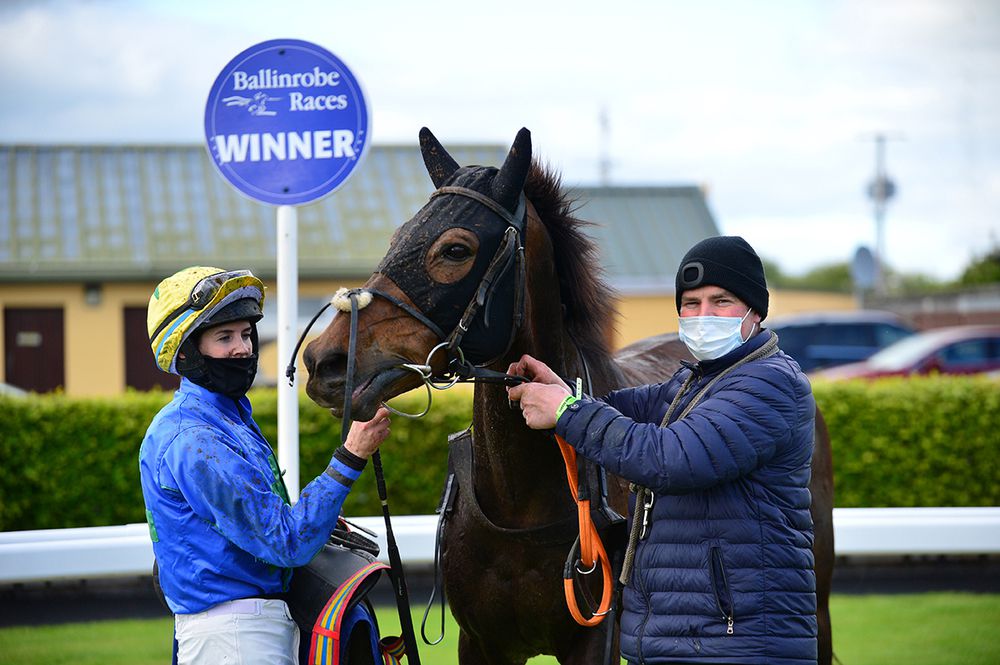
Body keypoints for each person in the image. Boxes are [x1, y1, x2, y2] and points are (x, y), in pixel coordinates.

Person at [507, 236, 817, 665]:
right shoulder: (697, 382)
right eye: (690, 304)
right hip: (678, 642)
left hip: (737, 645)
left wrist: (564, 412)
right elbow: (618, 408)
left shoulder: (769, 383)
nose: (703, 316)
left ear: (755, 312)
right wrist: (565, 393)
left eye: (720, 301)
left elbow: (668, 458)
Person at [140, 266, 391, 665]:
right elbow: (286, 541)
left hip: (248, 629)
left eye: (245, 334)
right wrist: (350, 456)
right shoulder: (195, 439)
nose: (242, 348)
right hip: (235, 639)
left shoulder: (227, 420)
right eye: (224, 337)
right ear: (184, 351)